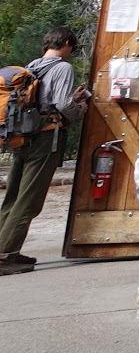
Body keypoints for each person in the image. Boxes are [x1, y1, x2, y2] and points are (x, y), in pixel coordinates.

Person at [0, 27, 90, 275]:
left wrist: (71, 98)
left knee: (13, 196)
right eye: (71, 47)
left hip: (22, 136)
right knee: (29, 199)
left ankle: (6, 248)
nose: (71, 52)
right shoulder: (63, 67)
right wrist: (79, 109)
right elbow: (61, 104)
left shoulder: (32, 65)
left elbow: (39, 100)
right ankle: (5, 256)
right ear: (67, 43)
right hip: (45, 138)